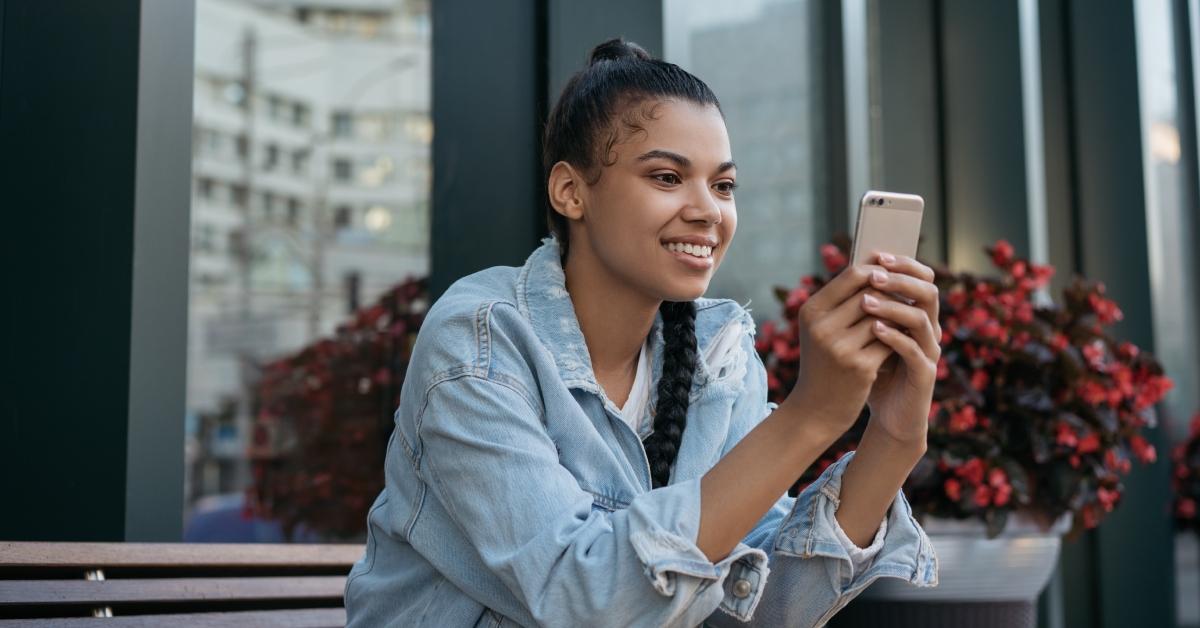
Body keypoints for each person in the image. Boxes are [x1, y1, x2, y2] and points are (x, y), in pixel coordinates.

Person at [344, 38, 940, 628]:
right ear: (570, 191)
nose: (708, 209)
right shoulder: (477, 343)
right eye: (666, 177)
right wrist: (810, 416)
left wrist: (893, 438)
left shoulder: (717, 352)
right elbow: (580, 597)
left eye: (724, 185)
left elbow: (763, 608)